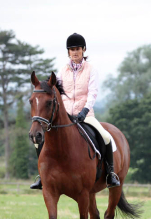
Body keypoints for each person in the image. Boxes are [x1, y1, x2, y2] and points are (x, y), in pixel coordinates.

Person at [30, 33, 120, 190]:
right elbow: (51, 87)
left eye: (78, 49)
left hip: (85, 114)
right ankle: (41, 176)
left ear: (84, 50)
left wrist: (85, 110)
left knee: (106, 136)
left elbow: (93, 93)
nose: (75, 52)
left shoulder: (91, 70)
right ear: (68, 52)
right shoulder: (62, 71)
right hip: (65, 116)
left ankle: (110, 173)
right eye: (72, 50)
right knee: (39, 139)